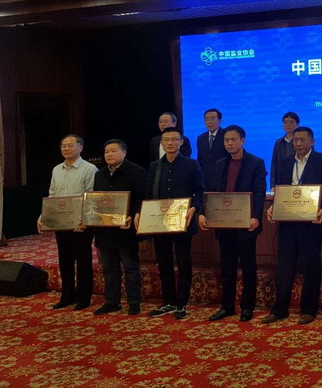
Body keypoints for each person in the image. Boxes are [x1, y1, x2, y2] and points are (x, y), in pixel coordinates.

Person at [262, 126, 322, 325]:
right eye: (295, 140)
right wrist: (273, 206)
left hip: (311, 223)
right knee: (284, 266)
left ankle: (309, 309)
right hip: (288, 222)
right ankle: (280, 309)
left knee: (310, 265)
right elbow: (281, 190)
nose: (299, 143)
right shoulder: (286, 162)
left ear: (312, 141)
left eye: (303, 140)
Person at [200, 125, 267, 322]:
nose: (229, 143)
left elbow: (260, 193)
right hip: (224, 224)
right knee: (227, 268)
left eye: (233, 140)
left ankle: (247, 306)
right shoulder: (220, 163)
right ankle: (227, 306)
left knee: (248, 267)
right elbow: (210, 191)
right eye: (226, 140)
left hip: (246, 224)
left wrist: (256, 217)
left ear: (242, 140)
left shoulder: (256, 163)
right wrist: (204, 213)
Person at [138, 127, 204, 320]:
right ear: (161, 143)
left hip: (183, 222)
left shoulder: (191, 164)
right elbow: (149, 194)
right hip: (159, 223)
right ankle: (168, 301)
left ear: (181, 142)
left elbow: (200, 191)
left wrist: (194, 207)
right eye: (166, 140)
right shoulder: (155, 166)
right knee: (163, 262)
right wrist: (142, 212)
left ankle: (182, 303)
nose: (170, 143)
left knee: (183, 262)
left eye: (174, 139)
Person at [37, 134, 97, 310]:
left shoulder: (89, 169)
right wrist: (43, 215)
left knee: (83, 260)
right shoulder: (56, 169)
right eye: (63, 146)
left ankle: (84, 297)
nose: (66, 149)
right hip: (61, 222)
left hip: (80, 223)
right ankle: (67, 295)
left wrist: (84, 219)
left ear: (80, 147)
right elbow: (52, 195)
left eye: (70, 145)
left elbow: (91, 197)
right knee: (65, 259)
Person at [90, 139, 147, 316]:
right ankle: (112, 301)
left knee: (130, 268)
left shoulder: (137, 171)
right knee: (109, 269)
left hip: (125, 230)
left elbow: (142, 198)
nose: (109, 154)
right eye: (106, 151)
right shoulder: (99, 174)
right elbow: (96, 200)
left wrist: (134, 214)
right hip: (104, 231)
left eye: (113, 151)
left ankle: (134, 302)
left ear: (124, 152)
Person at [196, 108, 228, 187]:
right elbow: (200, 160)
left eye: (212, 119)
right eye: (206, 119)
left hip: (223, 178)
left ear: (219, 121)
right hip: (205, 180)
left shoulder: (226, 136)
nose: (209, 122)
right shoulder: (201, 138)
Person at [270, 112, 300, 190]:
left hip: (297, 179)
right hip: (281, 181)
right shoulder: (279, 142)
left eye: (291, 122)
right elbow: (274, 164)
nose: (288, 125)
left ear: (297, 124)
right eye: (285, 122)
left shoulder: (302, 142)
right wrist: (273, 184)